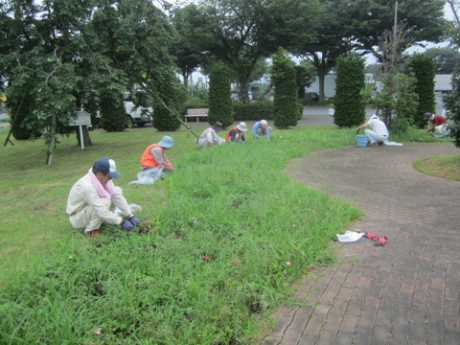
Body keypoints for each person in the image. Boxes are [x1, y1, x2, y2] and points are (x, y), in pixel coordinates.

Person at [66, 157, 140, 238]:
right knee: (105, 201)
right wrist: (121, 221)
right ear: (99, 174)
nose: (110, 179)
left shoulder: (102, 179)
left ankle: (104, 221)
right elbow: (100, 209)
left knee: (117, 190)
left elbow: (116, 195)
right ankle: (91, 230)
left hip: (89, 210)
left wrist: (130, 215)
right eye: (109, 176)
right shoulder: (87, 186)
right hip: (78, 217)